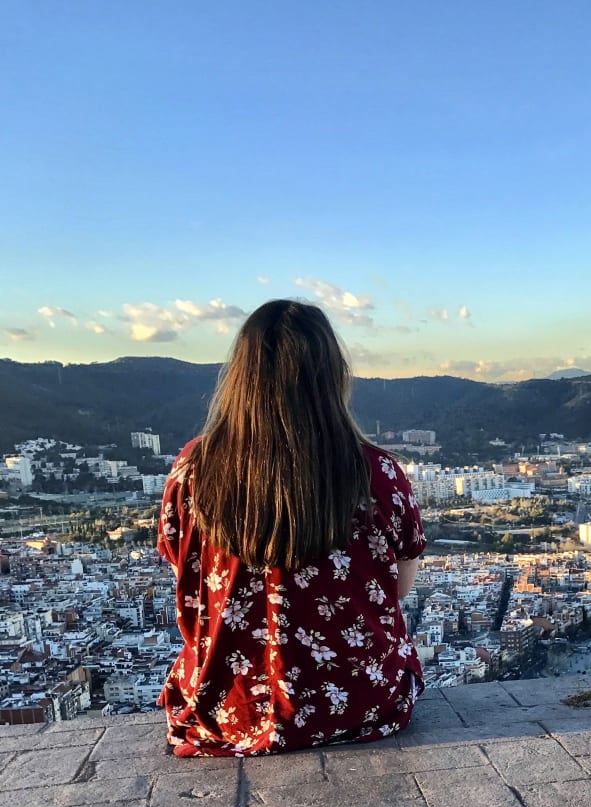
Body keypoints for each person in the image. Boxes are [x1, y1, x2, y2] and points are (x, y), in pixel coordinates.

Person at [156, 299, 426, 756]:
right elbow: (397, 588)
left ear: (241, 377)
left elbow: (184, 572)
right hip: (360, 702)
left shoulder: (193, 470)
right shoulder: (377, 473)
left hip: (229, 710)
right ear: (333, 376)